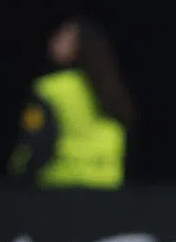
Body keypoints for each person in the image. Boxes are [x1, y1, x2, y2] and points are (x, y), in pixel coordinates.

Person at [8, 18, 136, 189]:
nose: (53, 41)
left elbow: (37, 141)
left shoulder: (48, 89)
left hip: (60, 186)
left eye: (62, 37)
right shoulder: (111, 88)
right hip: (107, 186)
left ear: (79, 46)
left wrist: (19, 175)